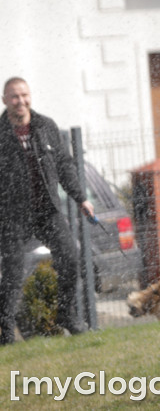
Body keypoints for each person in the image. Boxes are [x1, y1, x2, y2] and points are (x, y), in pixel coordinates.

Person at [0, 77, 93, 343]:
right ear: (5, 100)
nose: (21, 101)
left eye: (24, 95)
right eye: (14, 97)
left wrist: (81, 198)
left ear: (30, 96)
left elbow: (64, 165)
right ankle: (5, 333)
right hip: (12, 216)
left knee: (70, 257)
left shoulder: (45, 126)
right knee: (13, 274)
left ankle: (67, 313)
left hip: (47, 211)